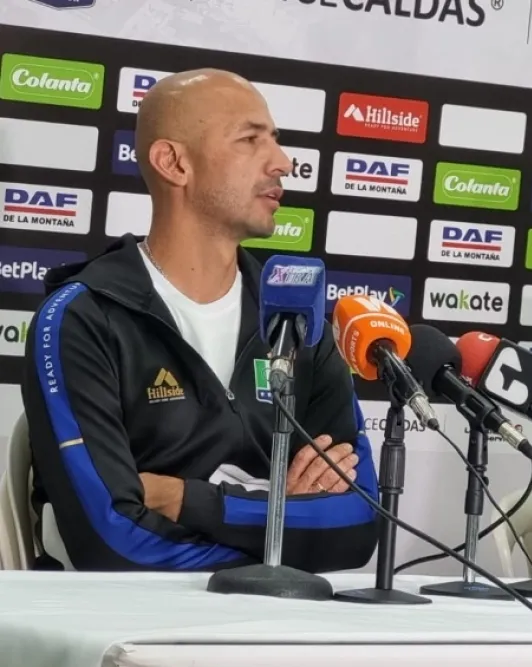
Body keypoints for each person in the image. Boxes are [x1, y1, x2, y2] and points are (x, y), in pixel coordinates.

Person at [21, 69, 379, 572]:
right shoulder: (83, 317)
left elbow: (358, 526)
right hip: (129, 632)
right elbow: (109, 541)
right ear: (174, 163)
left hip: (276, 626)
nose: (283, 162)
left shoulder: (299, 319)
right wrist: (278, 524)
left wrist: (182, 500)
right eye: (251, 140)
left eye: (275, 141)